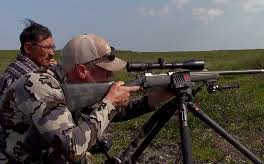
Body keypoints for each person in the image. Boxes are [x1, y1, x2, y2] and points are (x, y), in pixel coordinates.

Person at [0, 34, 172, 163]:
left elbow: (120, 112)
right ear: (82, 71)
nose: (111, 74)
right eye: (105, 69)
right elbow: (72, 148)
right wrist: (110, 103)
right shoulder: (40, 85)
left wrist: (159, 97)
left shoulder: (71, 86)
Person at [0, 19, 56, 96]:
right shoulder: (28, 77)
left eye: (52, 47)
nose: (52, 53)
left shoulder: (19, 67)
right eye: (46, 47)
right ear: (28, 48)